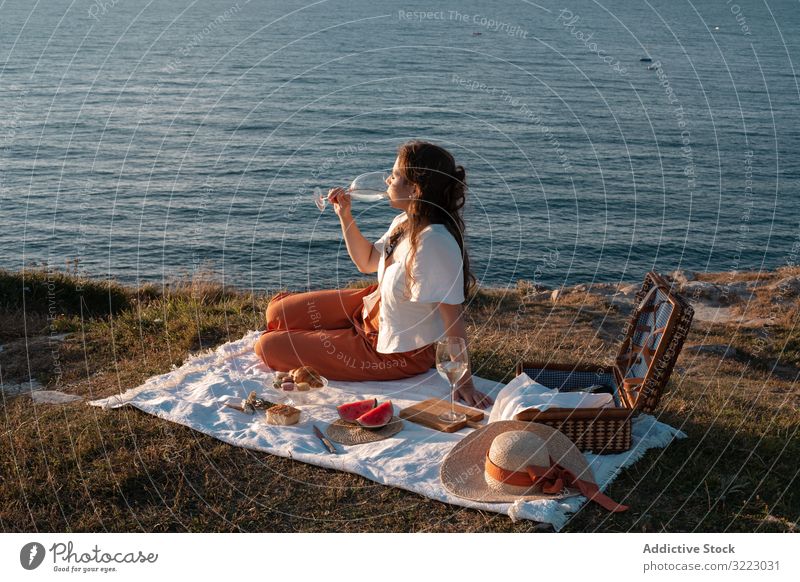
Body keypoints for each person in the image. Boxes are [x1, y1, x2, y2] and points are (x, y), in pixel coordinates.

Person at [254, 140, 493, 409]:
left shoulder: (434, 243)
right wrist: (345, 215)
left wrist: (464, 381)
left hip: (394, 351)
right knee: (276, 312)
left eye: (394, 175)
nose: (387, 180)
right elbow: (366, 261)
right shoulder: (406, 221)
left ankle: (338, 336)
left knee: (268, 347)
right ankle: (338, 330)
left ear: (414, 189)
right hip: (370, 305)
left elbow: (453, 318)